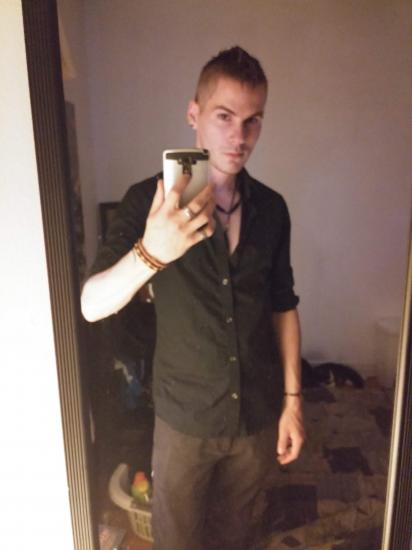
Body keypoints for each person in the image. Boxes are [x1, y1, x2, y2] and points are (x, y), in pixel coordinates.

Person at [81, 46, 305, 550]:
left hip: (256, 416)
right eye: (224, 116)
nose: (239, 136)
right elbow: (92, 305)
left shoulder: (272, 209)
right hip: (183, 420)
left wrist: (293, 403)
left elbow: (283, 305)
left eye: (252, 120)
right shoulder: (148, 201)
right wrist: (152, 253)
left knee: (239, 538)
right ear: (193, 114)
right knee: (177, 541)